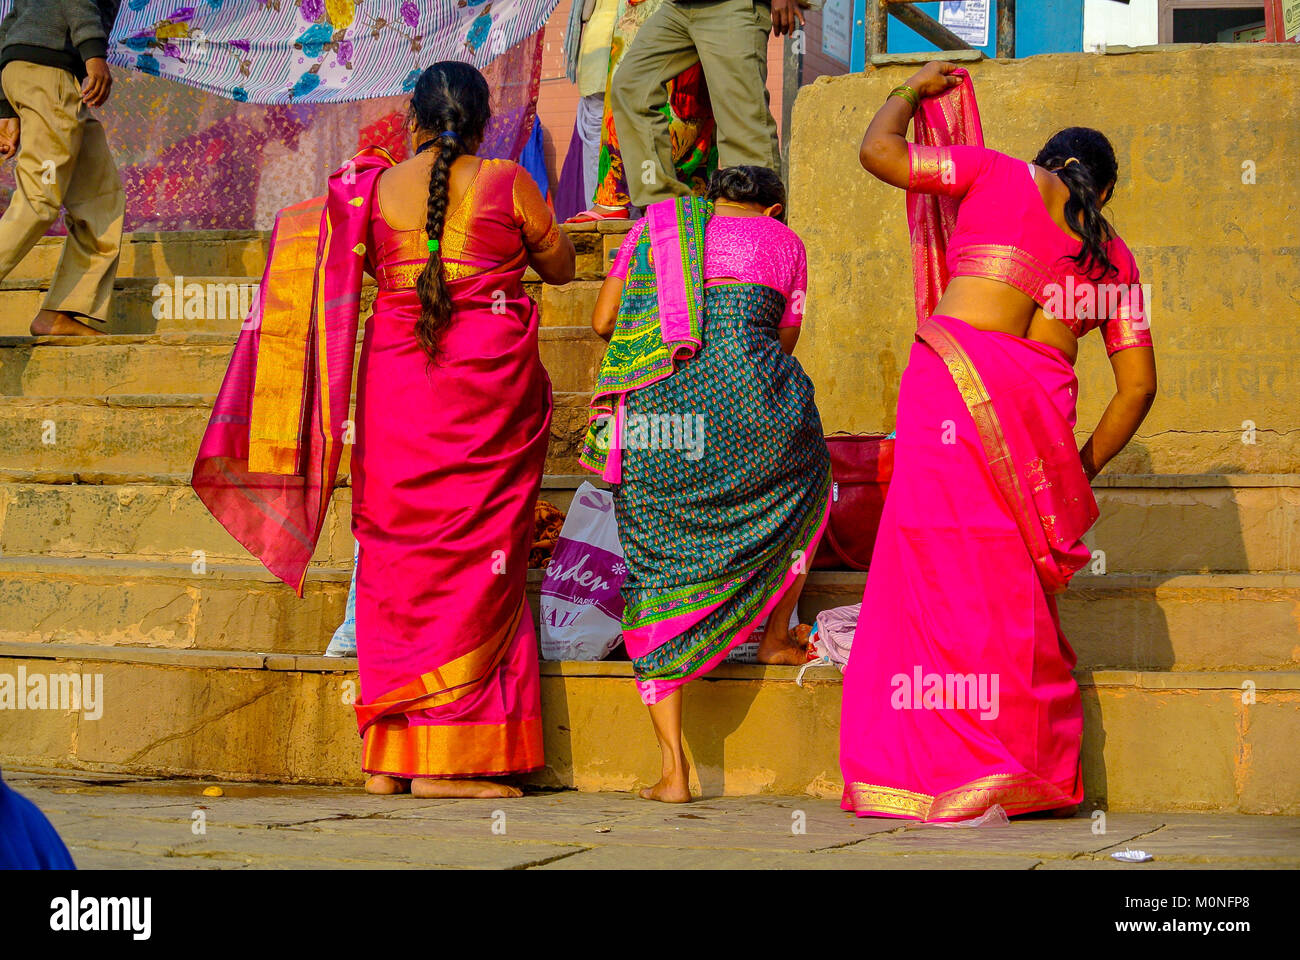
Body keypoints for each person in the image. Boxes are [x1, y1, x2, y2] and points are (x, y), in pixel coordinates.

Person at [193, 62, 576, 799]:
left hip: (398, 389)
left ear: (414, 122)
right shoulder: (507, 182)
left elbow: (325, 262)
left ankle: (388, 760)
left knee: (397, 559)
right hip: (484, 393)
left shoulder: (372, 189)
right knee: (475, 562)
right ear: (483, 117)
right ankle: (447, 769)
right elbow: (558, 268)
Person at [839, 61, 1157, 821]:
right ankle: (1018, 768)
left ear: (1046, 161)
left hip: (948, 387)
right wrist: (1076, 468)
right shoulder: (1115, 260)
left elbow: (877, 153)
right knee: (1007, 588)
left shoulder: (994, 173)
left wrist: (910, 91)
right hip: (1035, 433)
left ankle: (930, 768)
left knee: (934, 571)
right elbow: (1138, 387)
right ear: (1103, 190)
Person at [582, 165, 831, 802]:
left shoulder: (653, 231)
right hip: (757, 408)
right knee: (811, 484)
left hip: (659, 419)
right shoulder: (788, 243)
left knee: (654, 566)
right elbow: (786, 337)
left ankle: (673, 772)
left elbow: (604, 322)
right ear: (773, 209)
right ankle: (774, 635)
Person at [0, 0, 124, 337]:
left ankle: (61, 311)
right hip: (48, 74)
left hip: (42, 76)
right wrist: (94, 56)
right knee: (39, 199)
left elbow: (12, 19)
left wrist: (4, 105)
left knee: (101, 204)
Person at [607, 0, 803, 210]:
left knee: (740, 114)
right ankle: (662, 204)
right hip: (677, 7)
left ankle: (754, 217)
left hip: (731, 6)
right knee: (631, 85)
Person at [566, 0, 717, 223]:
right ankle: (614, 195)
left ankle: (687, 198)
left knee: (686, 103)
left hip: (694, 12)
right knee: (627, 86)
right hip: (637, 14)